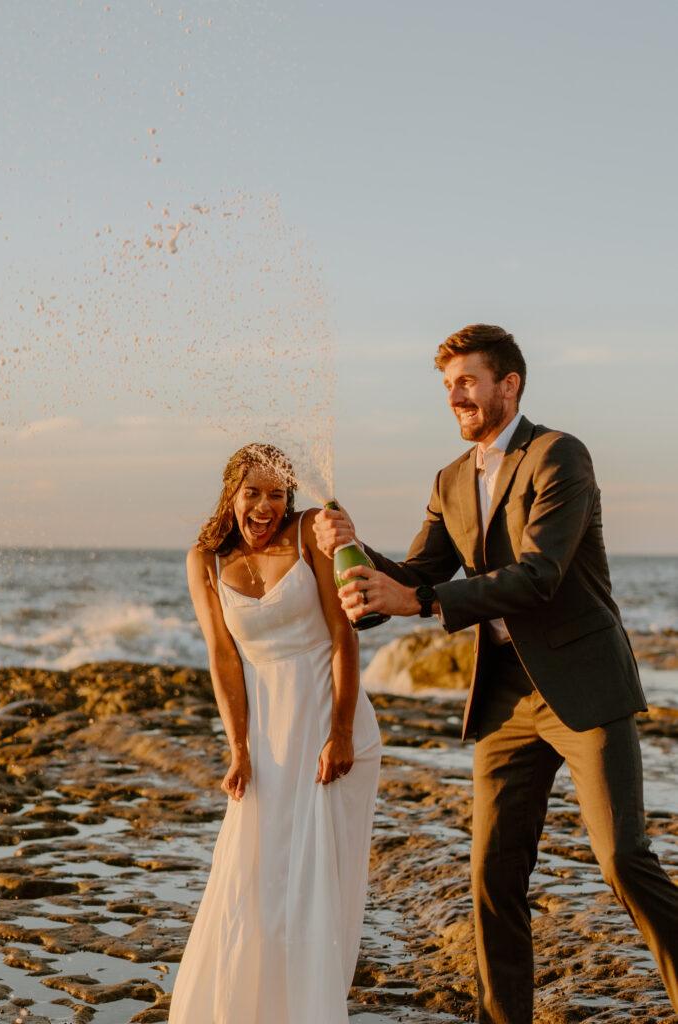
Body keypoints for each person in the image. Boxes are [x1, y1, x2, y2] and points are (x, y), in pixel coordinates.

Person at [313, 324, 678, 1024]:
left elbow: (538, 576)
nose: (454, 396)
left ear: (508, 385)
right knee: (491, 874)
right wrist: (351, 551)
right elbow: (418, 576)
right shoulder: (449, 480)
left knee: (622, 861)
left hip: (583, 684)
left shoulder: (557, 455)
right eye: (447, 385)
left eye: (467, 381)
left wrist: (417, 599)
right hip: (505, 695)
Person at [169, 442, 381, 1024]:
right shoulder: (204, 560)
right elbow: (223, 659)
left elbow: (344, 636)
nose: (264, 508)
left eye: (277, 494)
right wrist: (238, 749)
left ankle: (310, 1009)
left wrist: (340, 732)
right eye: (253, 494)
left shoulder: (310, 531)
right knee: (253, 873)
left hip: (328, 718)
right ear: (231, 494)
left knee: (316, 880)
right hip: (265, 733)